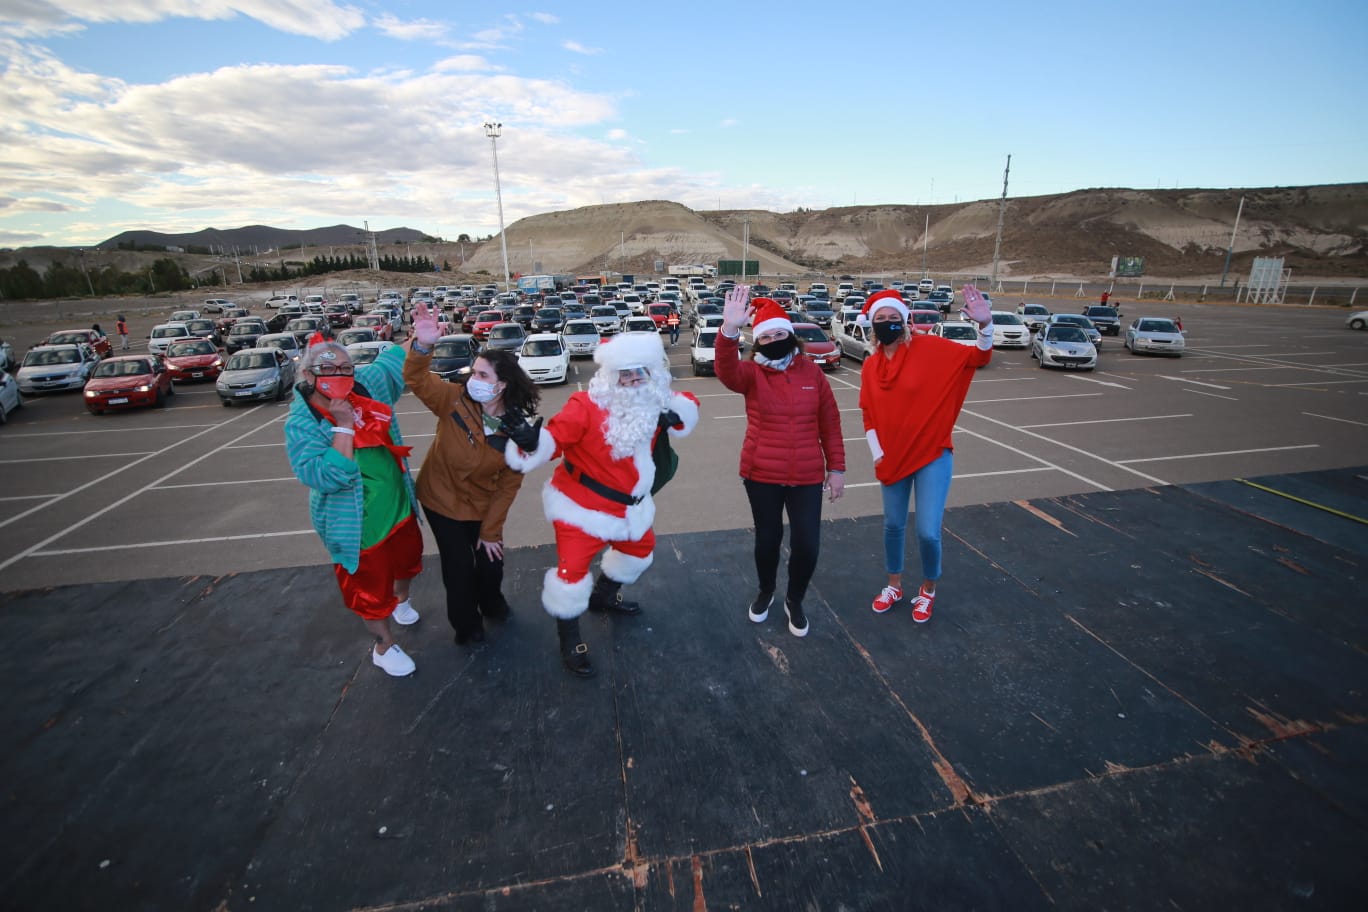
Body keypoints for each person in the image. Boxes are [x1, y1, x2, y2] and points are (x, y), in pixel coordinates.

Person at [505, 332, 700, 677]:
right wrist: (532, 442)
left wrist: (678, 414)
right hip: (582, 511)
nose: (633, 378)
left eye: (640, 371)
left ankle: (603, 597)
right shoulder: (585, 406)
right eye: (625, 373)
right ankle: (570, 640)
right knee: (571, 578)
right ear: (611, 376)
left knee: (640, 553)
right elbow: (555, 439)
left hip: (630, 509)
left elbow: (686, 402)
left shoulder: (652, 400)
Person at [404, 301, 541, 646]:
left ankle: (492, 604)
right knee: (459, 569)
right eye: (473, 372)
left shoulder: (516, 430)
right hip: (441, 499)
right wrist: (422, 346)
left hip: (482, 505)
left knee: (491, 561)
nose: (473, 379)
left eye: (482, 375)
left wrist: (490, 532)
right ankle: (467, 626)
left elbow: (508, 486)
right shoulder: (452, 400)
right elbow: (417, 379)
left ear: (502, 385)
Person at [284, 341, 424, 677]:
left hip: (399, 508)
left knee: (408, 562)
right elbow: (324, 476)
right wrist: (343, 426)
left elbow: (390, 365)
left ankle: (401, 601)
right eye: (327, 369)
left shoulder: (365, 387)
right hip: (357, 525)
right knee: (369, 590)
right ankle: (384, 646)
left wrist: (419, 340)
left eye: (345, 368)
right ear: (307, 374)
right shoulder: (302, 423)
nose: (339, 375)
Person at [859, 287, 993, 623]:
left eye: (893, 318)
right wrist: (878, 454)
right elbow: (868, 414)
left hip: (932, 453)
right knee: (892, 525)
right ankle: (894, 585)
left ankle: (928, 590)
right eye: (881, 319)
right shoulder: (871, 365)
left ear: (904, 321)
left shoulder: (930, 348)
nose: (887, 323)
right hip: (892, 458)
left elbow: (978, 357)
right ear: (872, 324)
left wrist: (986, 326)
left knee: (928, 531)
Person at [716, 290, 845, 636]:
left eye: (779, 334)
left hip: (805, 475)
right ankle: (766, 590)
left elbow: (830, 423)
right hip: (761, 473)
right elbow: (726, 371)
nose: (774, 340)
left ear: (791, 335)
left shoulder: (812, 375)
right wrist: (728, 332)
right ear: (757, 343)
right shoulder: (751, 374)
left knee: (807, 545)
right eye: (766, 336)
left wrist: (837, 469)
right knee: (767, 541)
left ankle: (795, 599)